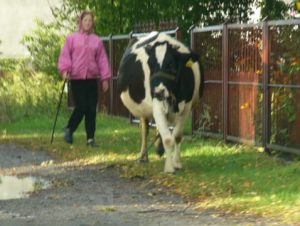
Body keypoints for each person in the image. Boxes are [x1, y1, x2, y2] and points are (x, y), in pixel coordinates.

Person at [58, 11, 111, 147]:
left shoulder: (96, 40)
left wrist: (105, 78)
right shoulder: (72, 38)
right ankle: (69, 128)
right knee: (81, 106)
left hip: (91, 78)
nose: (88, 22)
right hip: (76, 78)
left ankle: (90, 139)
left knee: (91, 109)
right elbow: (65, 55)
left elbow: (102, 60)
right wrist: (65, 70)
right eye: (85, 20)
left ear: (92, 23)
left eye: (90, 20)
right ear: (81, 22)